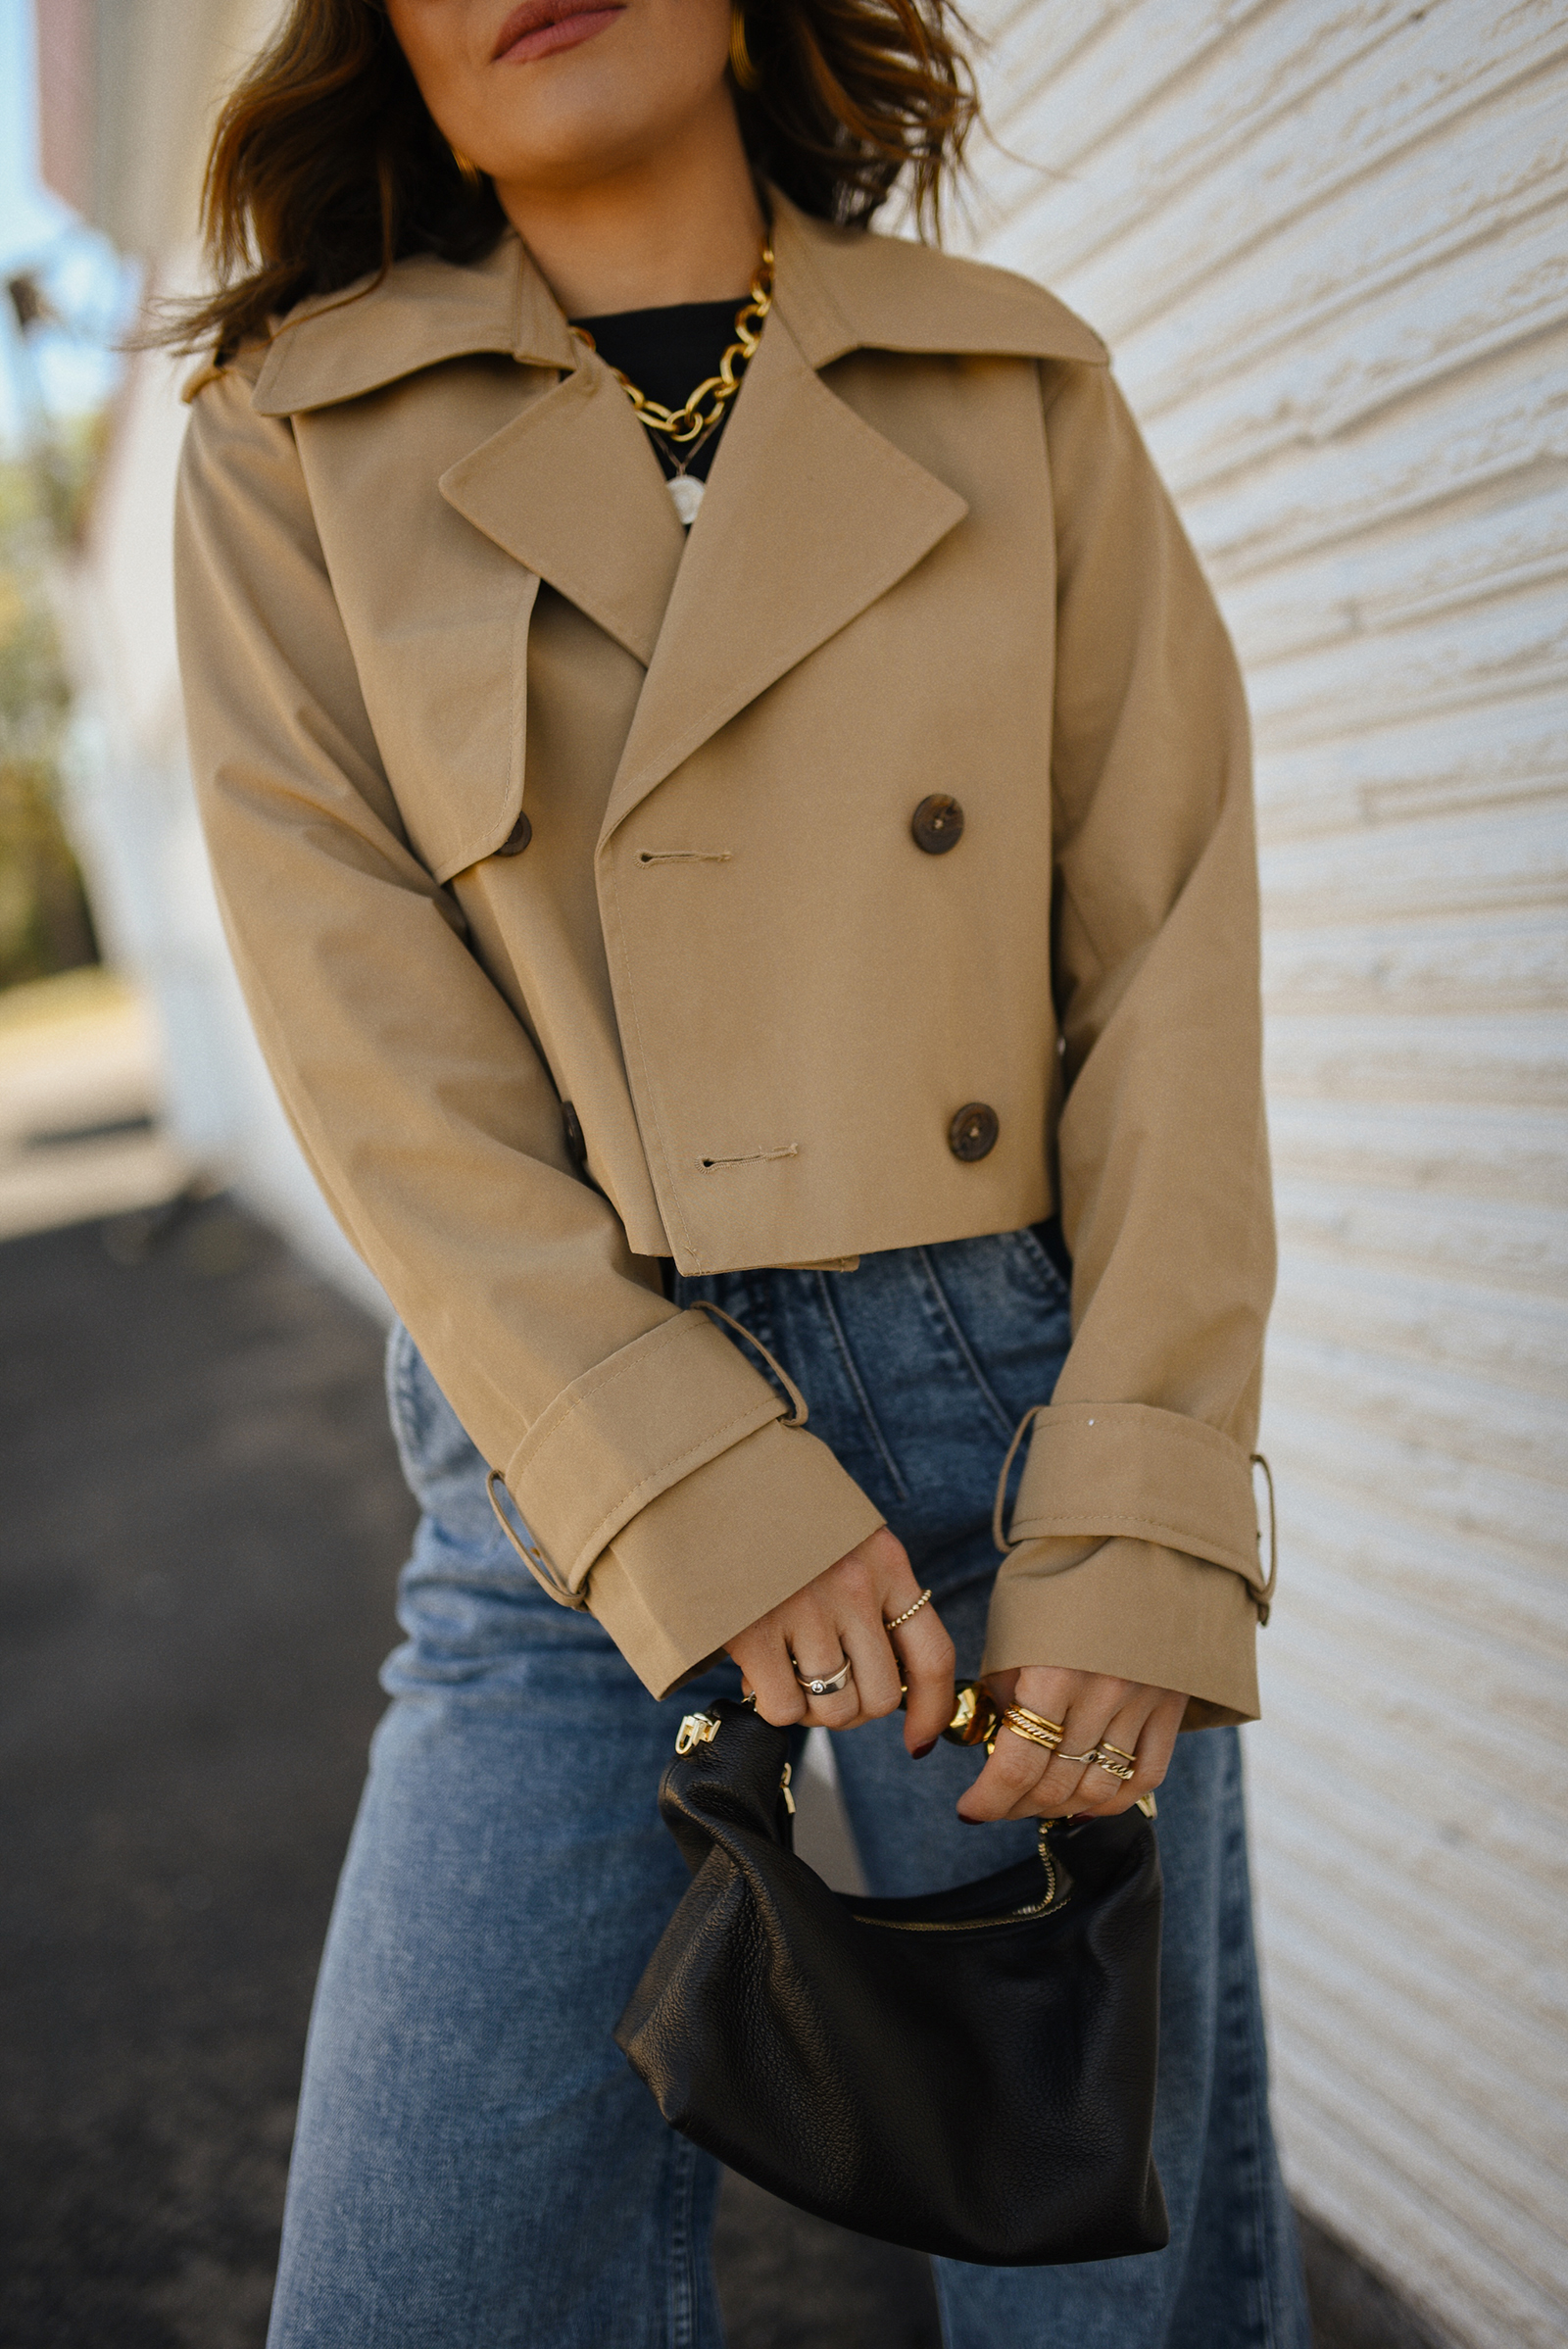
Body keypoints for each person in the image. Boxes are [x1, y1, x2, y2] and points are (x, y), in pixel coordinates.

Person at [169, 0, 1308, 2341]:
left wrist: (1139, 1497)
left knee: (1092, 2280)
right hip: (564, 1461)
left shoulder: (1012, 386)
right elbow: (367, 1043)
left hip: (1018, 1442)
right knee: (415, 2284)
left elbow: (1171, 980)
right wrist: (669, 1462)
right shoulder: (292, 441)